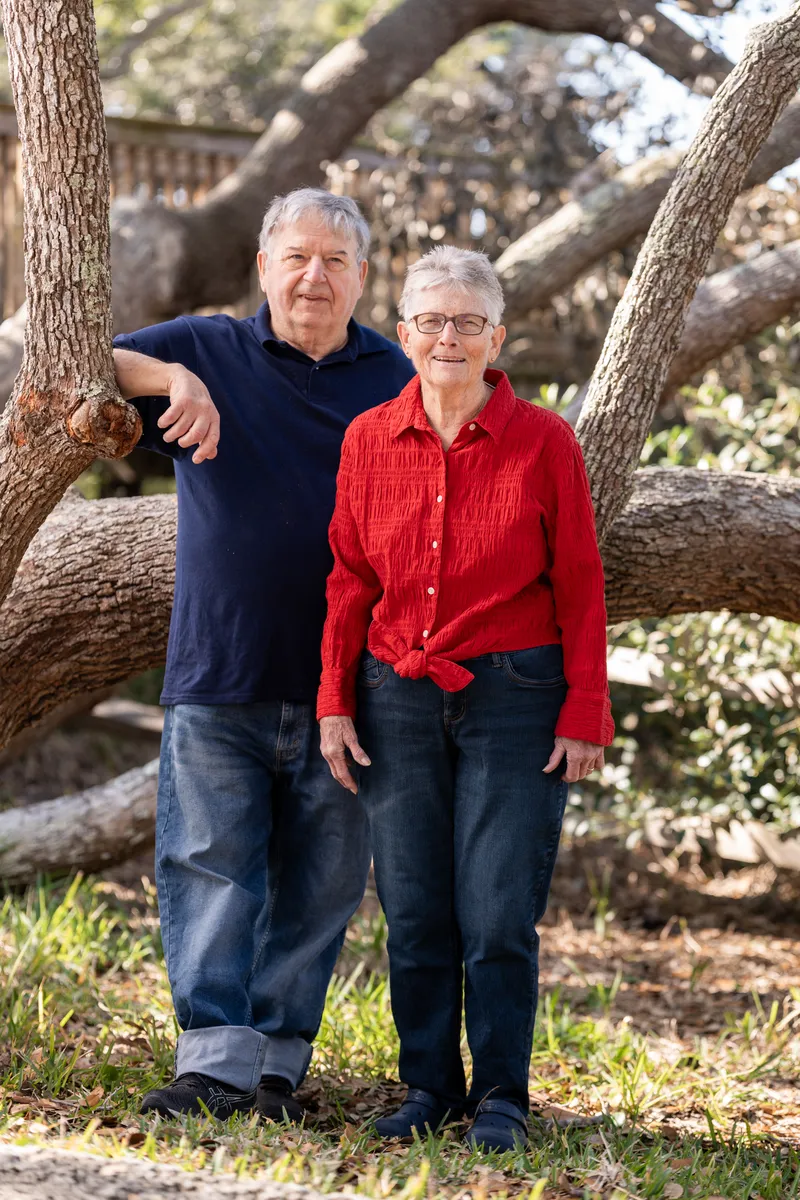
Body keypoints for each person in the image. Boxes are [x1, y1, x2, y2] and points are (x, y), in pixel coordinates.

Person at [112, 188, 414, 1121]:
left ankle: (276, 1066)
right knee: (208, 861)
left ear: (361, 277)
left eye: (334, 261)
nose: (313, 276)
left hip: (349, 685)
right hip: (220, 667)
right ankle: (212, 1065)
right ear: (264, 267)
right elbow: (76, 360)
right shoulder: (205, 347)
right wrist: (174, 383)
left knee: (321, 882)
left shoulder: (397, 374)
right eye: (296, 257)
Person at [318, 245, 614, 1153]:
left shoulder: (545, 440)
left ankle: (500, 1098)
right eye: (432, 321)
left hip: (517, 695)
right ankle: (427, 1087)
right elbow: (348, 578)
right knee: (412, 904)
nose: (449, 337)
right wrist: (334, 698)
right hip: (393, 695)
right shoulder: (368, 436)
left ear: (497, 337)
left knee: (494, 909)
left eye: (468, 322)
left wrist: (585, 710)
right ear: (404, 333)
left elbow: (581, 583)